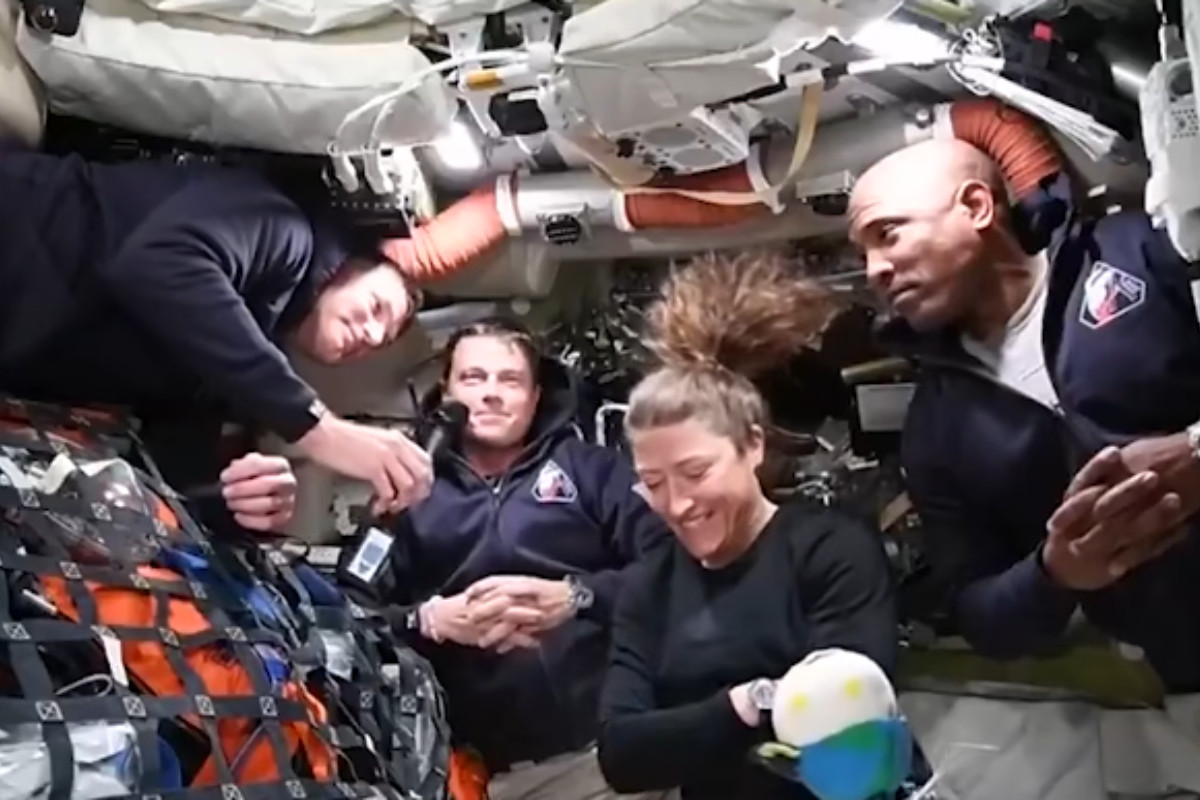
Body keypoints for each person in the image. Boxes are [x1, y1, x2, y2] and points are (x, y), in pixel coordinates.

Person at [847, 132, 1200, 690]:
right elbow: (979, 615)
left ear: (976, 207)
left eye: (887, 234)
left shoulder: (1135, 249)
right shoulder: (934, 430)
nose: (873, 270)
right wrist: (1055, 574)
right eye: (863, 253)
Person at [595, 253, 900, 800]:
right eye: (653, 482)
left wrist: (694, 728)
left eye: (695, 473)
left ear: (752, 445)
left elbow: (847, 730)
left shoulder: (831, 552)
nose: (677, 504)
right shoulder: (649, 587)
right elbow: (622, 756)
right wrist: (752, 702)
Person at [341, 317, 671, 800]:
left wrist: (577, 596)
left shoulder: (594, 472)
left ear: (535, 398)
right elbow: (348, 614)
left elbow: (672, 572)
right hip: (464, 771)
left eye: (510, 380)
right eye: (473, 378)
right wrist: (428, 619)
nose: (491, 393)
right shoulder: (405, 491)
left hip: (598, 757)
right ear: (447, 392)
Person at [0, 149, 432, 514]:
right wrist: (316, 427)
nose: (372, 335)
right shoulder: (282, 228)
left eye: (381, 342)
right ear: (347, 268)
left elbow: (167, 478)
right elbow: (158, 263)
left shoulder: (230, 364)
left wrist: (236, 504)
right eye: (377, 307)